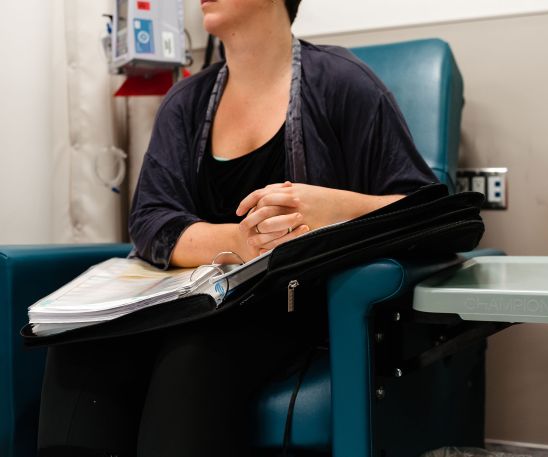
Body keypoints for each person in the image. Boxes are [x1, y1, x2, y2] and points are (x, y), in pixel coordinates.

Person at [37, 1, 437, 456]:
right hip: (189, 301)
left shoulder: (344, 83)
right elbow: (150, 219)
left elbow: (426, 210)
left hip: (286, 308)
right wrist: (240, 241)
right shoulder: (185, 102)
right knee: (83, 346)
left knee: (193, 357)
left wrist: (333, 207)